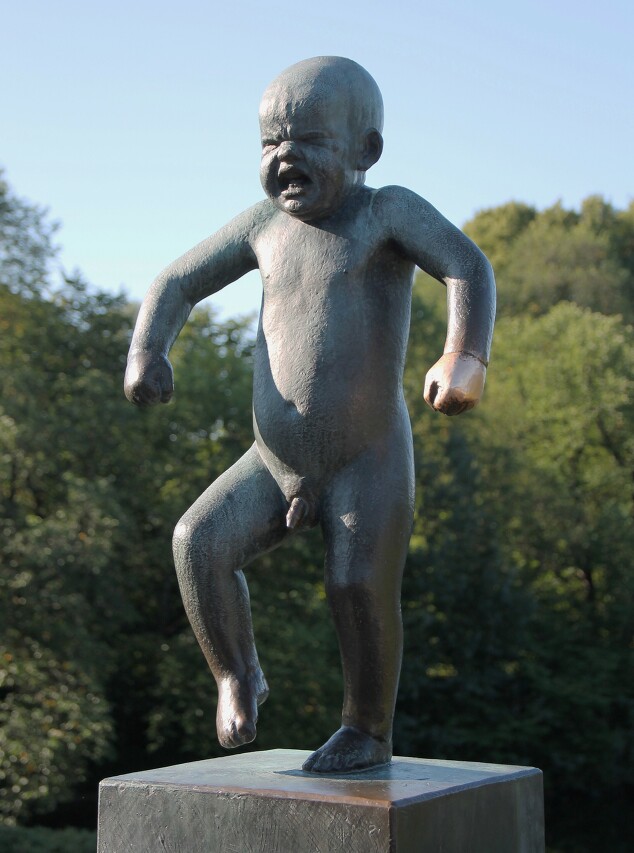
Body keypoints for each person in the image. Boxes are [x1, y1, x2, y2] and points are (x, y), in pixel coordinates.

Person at [124, 56, 495, 774]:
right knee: (197, 541)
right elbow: (174, 281)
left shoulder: (385, 209)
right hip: (275, 457)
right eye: (270, 143)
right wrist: (148, 350)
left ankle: (366, 727)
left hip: (368, 455)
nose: (285, 157)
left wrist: (464, 357)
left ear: (365, 150)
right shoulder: (264, 225)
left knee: (356, 583)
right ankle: (238, 671)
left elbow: (465, 264)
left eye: (310, 141)